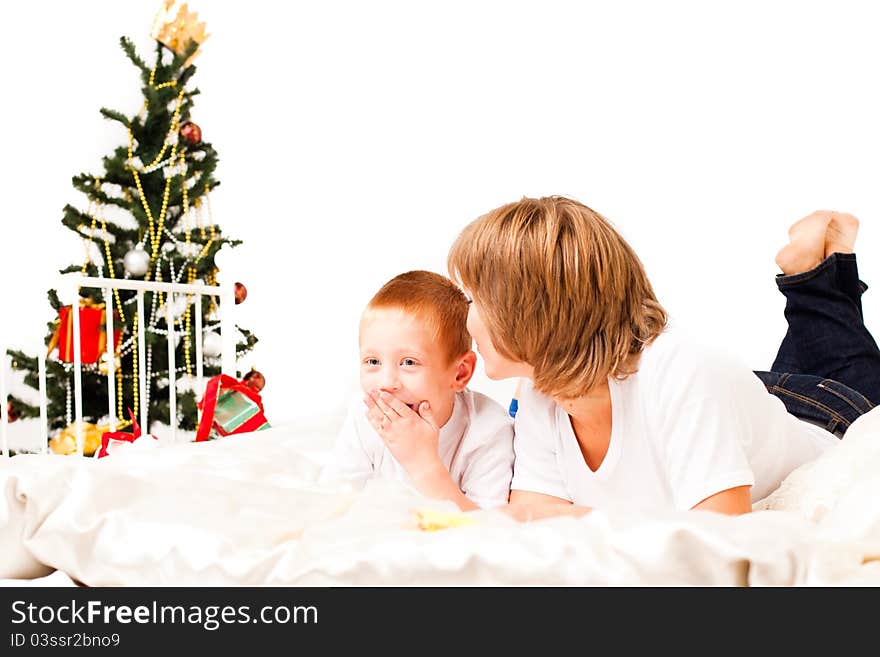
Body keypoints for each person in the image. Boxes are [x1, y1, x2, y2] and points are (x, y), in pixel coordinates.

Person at [386, 197, 877, 519]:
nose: (465, 320)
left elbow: (722, 539)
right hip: (738, 407)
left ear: (529, 312)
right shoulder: (543, 393)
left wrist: (581, 517)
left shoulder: (686, 371)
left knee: (852, 373)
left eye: (475, 300)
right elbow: (528, 519)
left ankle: (815, 279)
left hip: (823, 412)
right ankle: (817, 276)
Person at [319, 270, 514, 510]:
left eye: (409, 362)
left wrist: (423, 463)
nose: (386, 383)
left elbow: (491, 527)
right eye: (372, 362)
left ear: (460, 373)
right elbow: (333, 500)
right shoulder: (364, 416)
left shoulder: (488, 429)